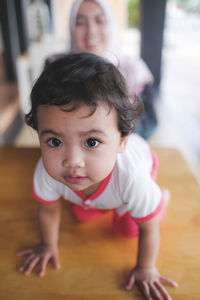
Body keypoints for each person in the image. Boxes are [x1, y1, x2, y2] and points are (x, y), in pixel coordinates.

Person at [17, 53, 178, 299]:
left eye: (91, 141)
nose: (72, 161)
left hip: (139, 172)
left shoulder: (132, 176)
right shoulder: (47, 171)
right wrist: (48, 244)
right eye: (54, 141)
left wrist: (146, 268)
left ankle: (160, 199)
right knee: (80, 214)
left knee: (128, 229)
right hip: (100, 192)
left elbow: (149, 229)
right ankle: (98, 204)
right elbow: (48, 210)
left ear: (122, 141)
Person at [47, 0, 158, 139]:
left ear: (111, 25)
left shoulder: (134, 70)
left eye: (100, 21)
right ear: (71, 27)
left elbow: (148, 123)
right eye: (80, 23)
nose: (91, 32)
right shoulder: (56, 68)